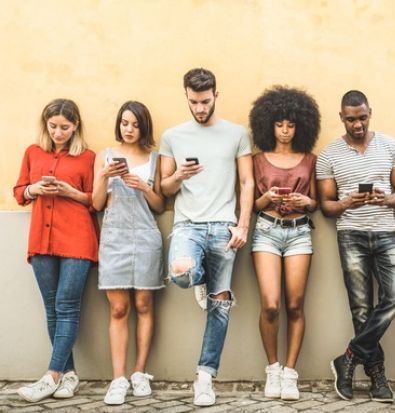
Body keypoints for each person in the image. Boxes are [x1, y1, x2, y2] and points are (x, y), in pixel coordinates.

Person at [159, 68, 254, 406]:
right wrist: (178, 176)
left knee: (220, 305)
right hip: (188, 226)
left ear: (216, 95)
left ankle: (205, 376)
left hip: (224, 226)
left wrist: (243, 225)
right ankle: (197, 273)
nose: (199, 108)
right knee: (182, 274)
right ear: (186, 97)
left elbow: (247, 182)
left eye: (205, 101)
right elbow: (163, 187)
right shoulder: (172, 136)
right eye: (193, 102)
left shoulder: (237, 134)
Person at [317, 90, 395, 403]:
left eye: (362, 117)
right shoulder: (329, 154)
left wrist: (386, 198)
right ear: (342, 117)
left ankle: (349, 356)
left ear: (371, 113)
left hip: (385, 232)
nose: (357, 124)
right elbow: (326, 206)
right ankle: (377, 376)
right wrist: (346, 202)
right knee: (361, 309)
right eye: (351, 119)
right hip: (351, 234)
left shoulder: (390, 145)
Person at [13, 99, 98, 402]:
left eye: (65, 127)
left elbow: (95, 200)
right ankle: (69, 375)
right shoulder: (32, 153)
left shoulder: (88, 157)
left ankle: (50, 376)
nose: (58, 132)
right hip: (41, 240)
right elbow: (19, 192)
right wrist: (33, 189)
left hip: (77, 239)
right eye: (53, 126)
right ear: (45, 125)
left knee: (66, 305)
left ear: (76, 126)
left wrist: (68, 192)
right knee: (52, 308)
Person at [249, 86, 321, 401]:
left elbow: (316, 202)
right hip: (266, 230)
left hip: (299, 232)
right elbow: (251, 204)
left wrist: (305, 200)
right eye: (279, 124)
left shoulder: (310, 159)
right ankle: (273, 368)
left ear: (301, 125)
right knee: (270, 304)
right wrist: (265, 198)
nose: (285, 130)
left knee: (294, 305)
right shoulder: (256, 159)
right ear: (269, 124)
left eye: (291, 124)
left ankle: (290, 372)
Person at [92, 101, 165, 405]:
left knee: (145, 305)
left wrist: (143, 187)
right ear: (119, 125)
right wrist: (104, 177)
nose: (129, 129)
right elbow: (96, 204)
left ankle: (139, 372)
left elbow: (161, 205)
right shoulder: (104, 156)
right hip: (114, 237)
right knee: (119, 309)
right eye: (125, 123)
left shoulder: (154, 158)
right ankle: (118, 377)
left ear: (144, 126)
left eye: (135, 124)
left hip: (146, 237)